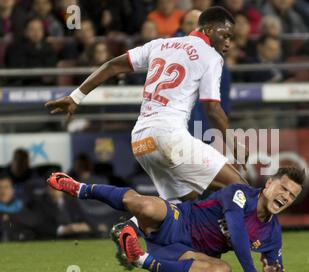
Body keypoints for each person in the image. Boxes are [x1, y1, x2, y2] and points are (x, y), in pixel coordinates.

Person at [45, 6, 249, 203]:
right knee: (241, 189)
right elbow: (212, 109)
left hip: (142, 139)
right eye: (226, 36)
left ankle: (119, 216)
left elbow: (113, 65)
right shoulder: (211, 56)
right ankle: (247, 237)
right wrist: (233, 143)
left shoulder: (160, 44)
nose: (229, 43)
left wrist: (76, 96)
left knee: (181, 205)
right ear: (209, 30)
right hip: (170, 136)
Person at [47, 166, 305, 272]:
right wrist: (250, 270)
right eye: (283, 188)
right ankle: (81, 188)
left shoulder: (272, 233)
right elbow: (236, 230)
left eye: (292, 195)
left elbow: (275, 267)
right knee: (145, 204)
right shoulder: (239, 193)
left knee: (221, 271)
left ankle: (139, 258)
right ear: (269, 183)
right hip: (177, 220)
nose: (286, 197)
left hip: (187, 252)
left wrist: (273, 271)